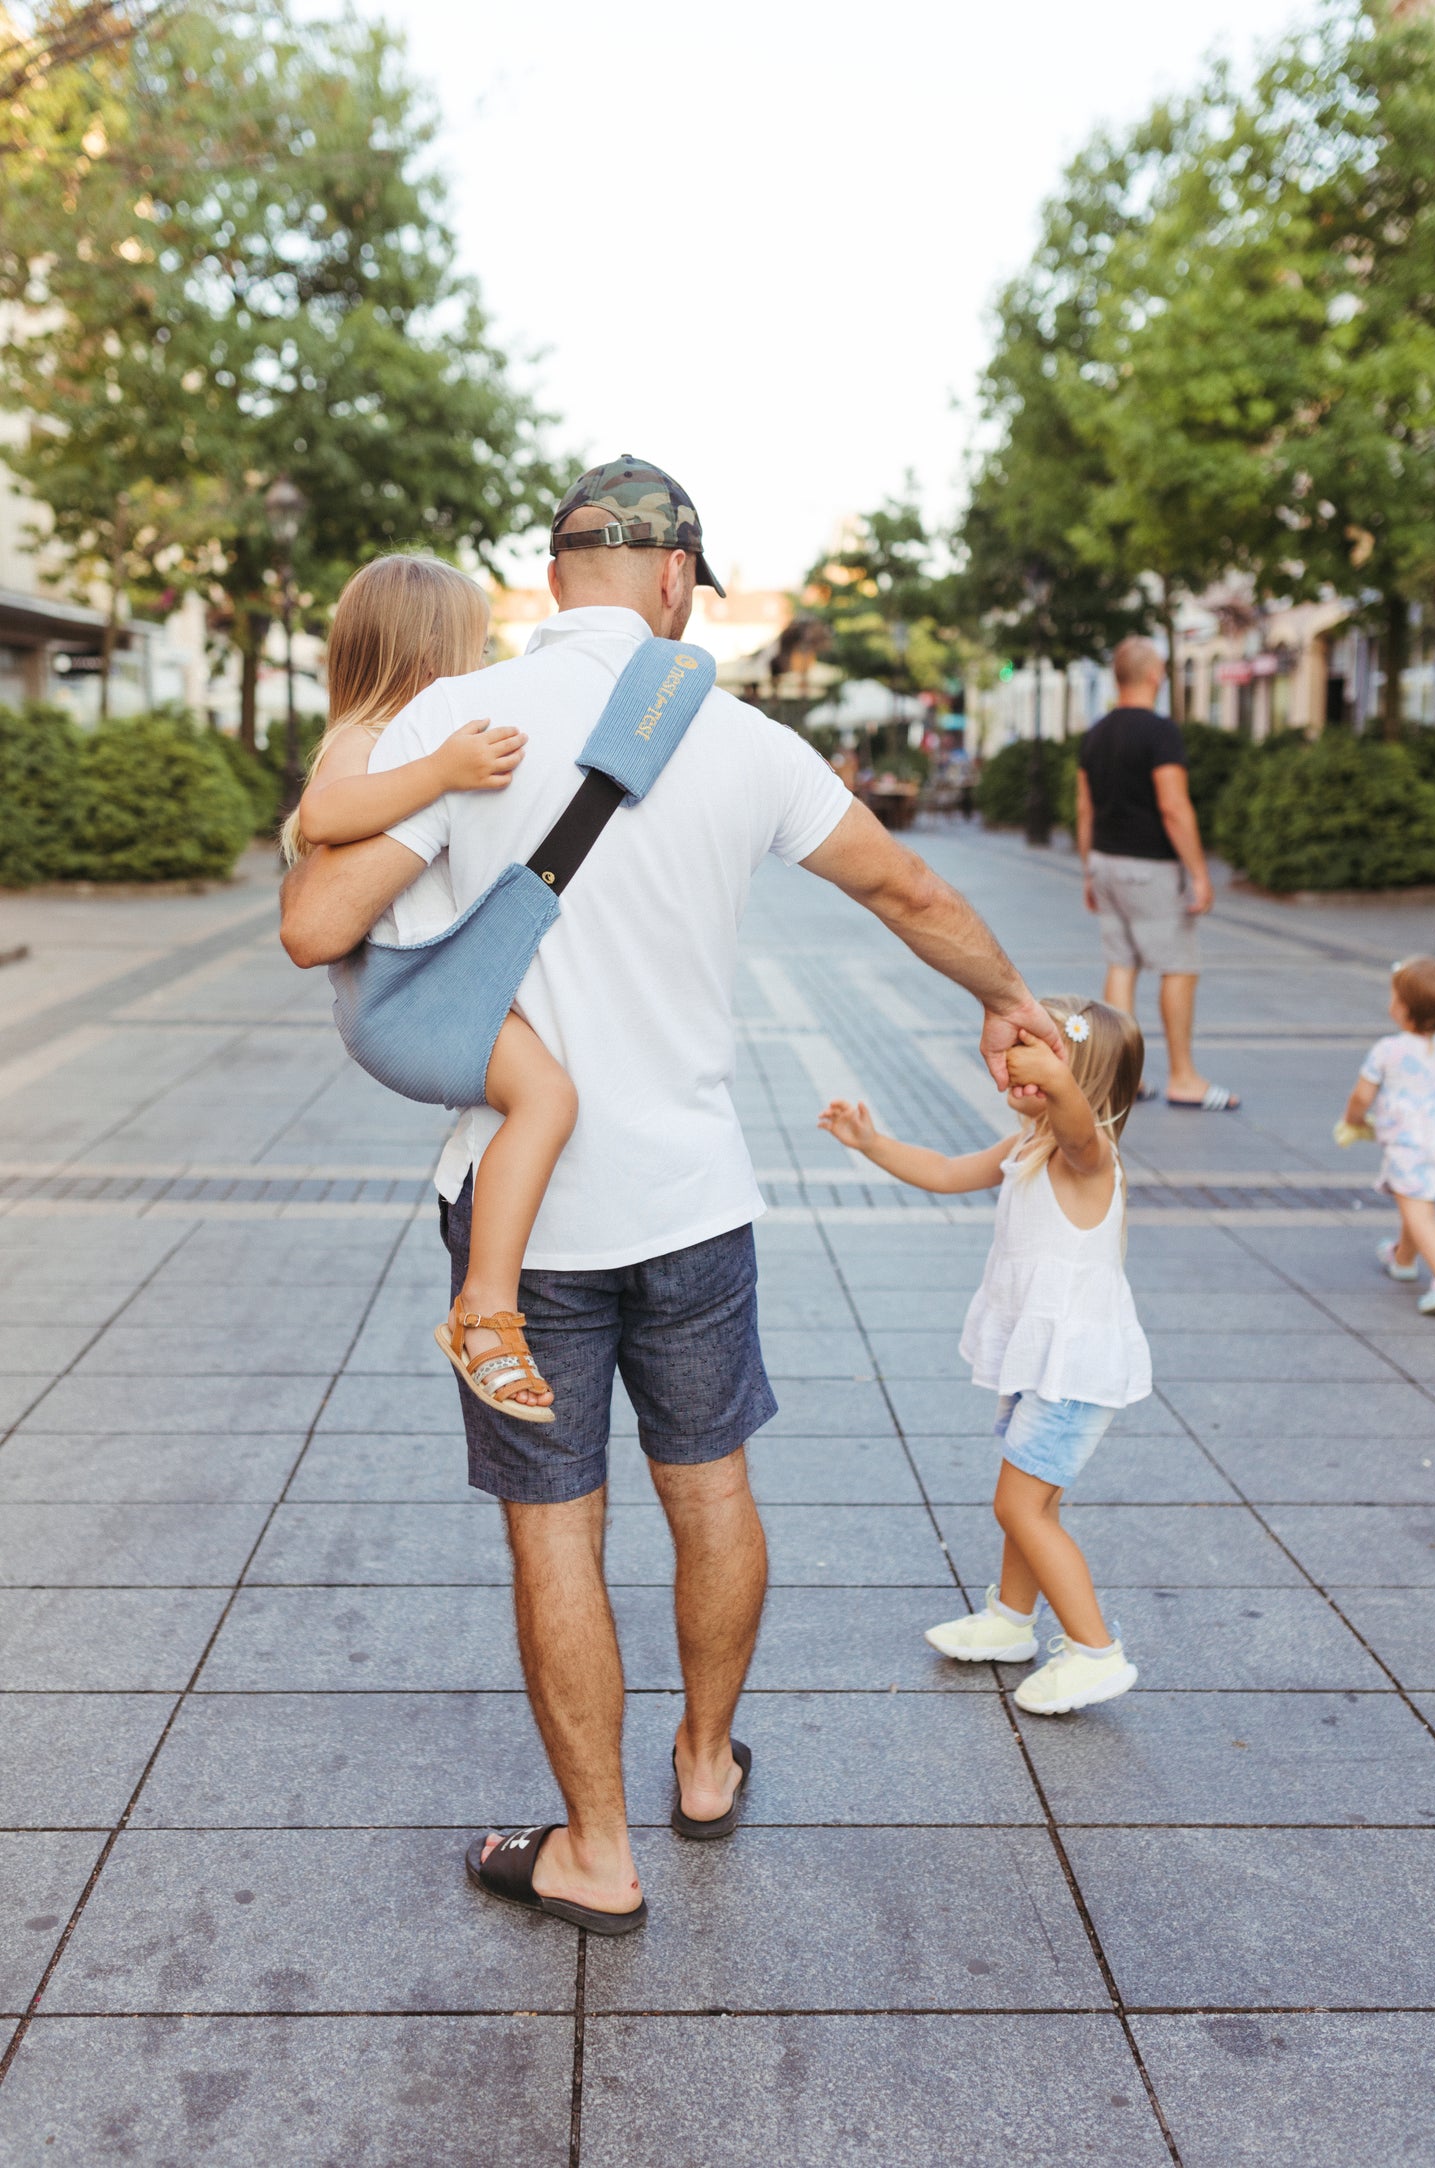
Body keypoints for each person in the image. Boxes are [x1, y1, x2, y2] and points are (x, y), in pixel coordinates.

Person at [280, 454, 1063, 1932]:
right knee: (712, 1493)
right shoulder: (739, 738)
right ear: (670, 577)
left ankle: (595, 1847)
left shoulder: (459, 720)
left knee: (553, 1528)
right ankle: (703, 1765)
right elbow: (906, 891)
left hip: (525, 1221)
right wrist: (1009, 996)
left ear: (554, 574)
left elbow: (317, 922)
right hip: (694, 1199)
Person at [281, 555, 572, 1421]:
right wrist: (442, 774)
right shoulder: (364, 741)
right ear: (430, 651)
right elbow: (323, 818)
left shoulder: (394, 739)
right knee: (548, 1099)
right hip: (410, 993)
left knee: (545, 1097)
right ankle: (484, 1310)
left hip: (424, 984)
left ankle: (486, 1301)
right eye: (473, 643)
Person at [819, 995, 1151, 1715]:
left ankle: (1096, 1653)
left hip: (1073, 1370)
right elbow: (941, 1171)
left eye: (1039, 1049)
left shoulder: (1084, 1154)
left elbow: (1076, 1125)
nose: (1016, 1061)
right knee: (1029, 1504)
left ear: (1075, 1079)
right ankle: (1009, 1620)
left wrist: (1057, 1084)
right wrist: (871, 1144)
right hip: (1042, 1365)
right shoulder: (1027, 1146)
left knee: (1021, 1506)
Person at [1076, 635, 1239, 1111]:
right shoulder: (1160, 732)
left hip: (1105, 860)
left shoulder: (1096, 733)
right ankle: (1184, 1077)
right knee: (1180, 966)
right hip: (1150, 868)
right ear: (1154, 675)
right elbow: (1173, 805)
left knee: (1121, 964)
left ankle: (1120, 1078)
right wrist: (1199, 873)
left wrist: (1089, 870)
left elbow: (1084, 809)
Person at [1339, 955, 1435, 1317]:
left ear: (1402, 1009)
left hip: (1409, 1145)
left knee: (1417, 1207)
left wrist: (1353, 1120)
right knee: (1416, 1201)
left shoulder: (1389, 1050)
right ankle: (1403, 1258)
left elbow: (1362, 1096)